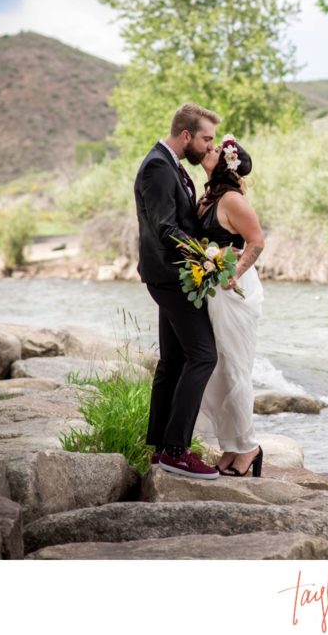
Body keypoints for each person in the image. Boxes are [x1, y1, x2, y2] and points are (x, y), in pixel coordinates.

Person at [134, 102, 221, 480]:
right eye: (205, 138)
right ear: (186, 135)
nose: (208, 146)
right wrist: (207, 259)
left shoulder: (171, 166)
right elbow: (165, 227)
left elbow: (180, 219)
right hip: (171, 276)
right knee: (203, 356)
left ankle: (159, 449)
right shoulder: (157, 166)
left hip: (169, 275)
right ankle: (176, 451)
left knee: (172, 362)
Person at [192, 134, 266, 477]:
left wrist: (234, 272)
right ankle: (230, 447)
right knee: (216, 371)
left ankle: (249, 447)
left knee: (235, 369)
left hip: (235, 292)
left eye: (217, 150)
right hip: (211, 292)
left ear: (226, 162)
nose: (210, 149)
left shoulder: (233, 199)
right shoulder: (208, 197)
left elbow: (256, 241)